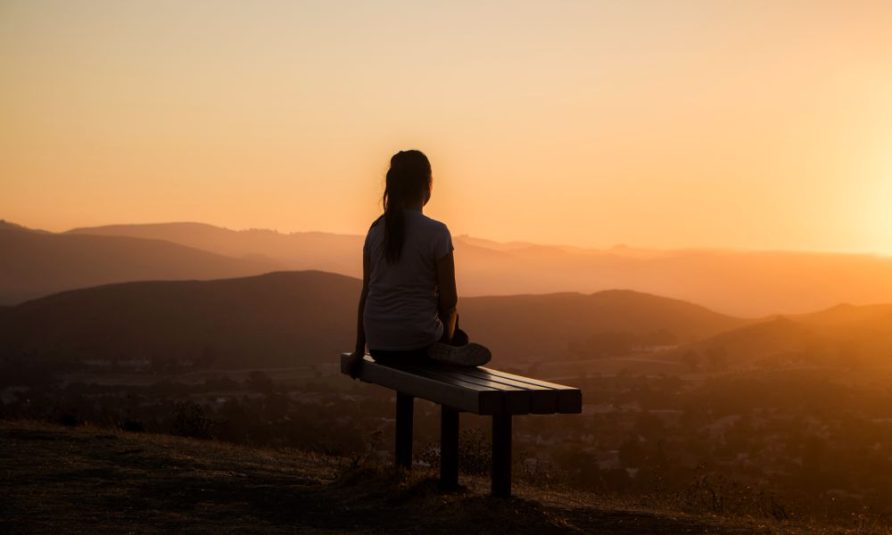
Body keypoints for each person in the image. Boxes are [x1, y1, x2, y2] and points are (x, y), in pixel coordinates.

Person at [346, 149, 490, 378]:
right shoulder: (437, 233)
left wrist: (358, 350)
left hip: (379, 347)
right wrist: (448, 337)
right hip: (419, 346)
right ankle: (450, 348)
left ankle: (449, 347)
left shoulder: (375, 231)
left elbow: (367, 293)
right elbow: (449, 302)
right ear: (427, 185)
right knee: (459, 332)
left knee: (447, 330)